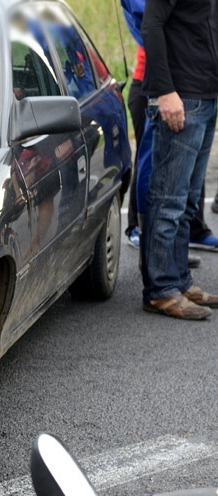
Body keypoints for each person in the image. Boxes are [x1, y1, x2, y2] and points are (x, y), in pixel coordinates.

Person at [139, 0, 218, 320]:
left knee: (186, 201)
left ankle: (179, 281)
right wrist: (166, 91)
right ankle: (160, 289)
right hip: (180, 97)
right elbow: (151, 26)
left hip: (205, 97)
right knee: (168, 200)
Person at [121, 0, 218, 256]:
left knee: (185, 188)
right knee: (162, 188)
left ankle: (180, 264)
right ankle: (143, 234)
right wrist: (166, 89)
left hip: (198, 87)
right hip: (164, 84)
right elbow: (148, 24)